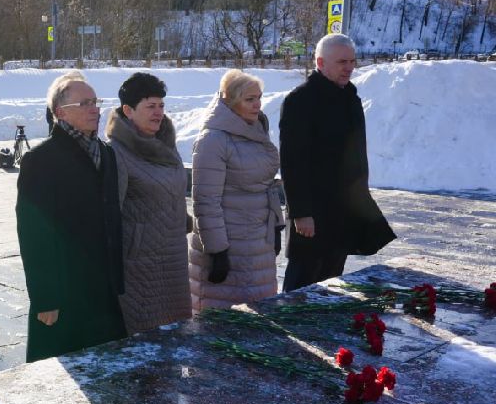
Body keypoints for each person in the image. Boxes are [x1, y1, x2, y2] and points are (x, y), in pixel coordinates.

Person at [16, 70, 126, 362]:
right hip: (65, 293)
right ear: (60, 112)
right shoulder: (40, 160)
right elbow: (33, 235)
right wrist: (45, 298)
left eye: (95, 102)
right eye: (85, 103)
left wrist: (117, 280)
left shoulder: (106, 153)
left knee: (109, 371)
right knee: (61, 378)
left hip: (103, 290)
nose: (95, 109)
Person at [279, 34, 395, 291]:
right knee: (301, 286)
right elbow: (292, 162)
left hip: (343, 210)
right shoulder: (301, 100)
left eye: (352, 61)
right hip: (313, 214)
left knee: (332, 283)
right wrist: (301, 213)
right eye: (342, 62)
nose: (349, 67)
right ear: (321, 62)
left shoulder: (350, 98)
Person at [189, 70, 284, 310]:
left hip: (258, 242)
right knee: (226, 317)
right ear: (230, 101)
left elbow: (267, 186)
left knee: (259, 312)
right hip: (230, 244)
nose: (257, 104)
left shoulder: (255, 130)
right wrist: (217, 251)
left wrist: (276, 225)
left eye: (259, 97)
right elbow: (206, 201)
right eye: (249, 99)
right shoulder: (213, 139)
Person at [104, 72, 191, 333]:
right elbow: (110, 215)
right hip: (139, 264)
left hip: (174, 255)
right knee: (146, 338)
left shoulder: (165, 143)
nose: (158, 113)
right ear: (128, 110)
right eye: (150, 106)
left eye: (161, 105)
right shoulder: (116, 152)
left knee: (176, 333)